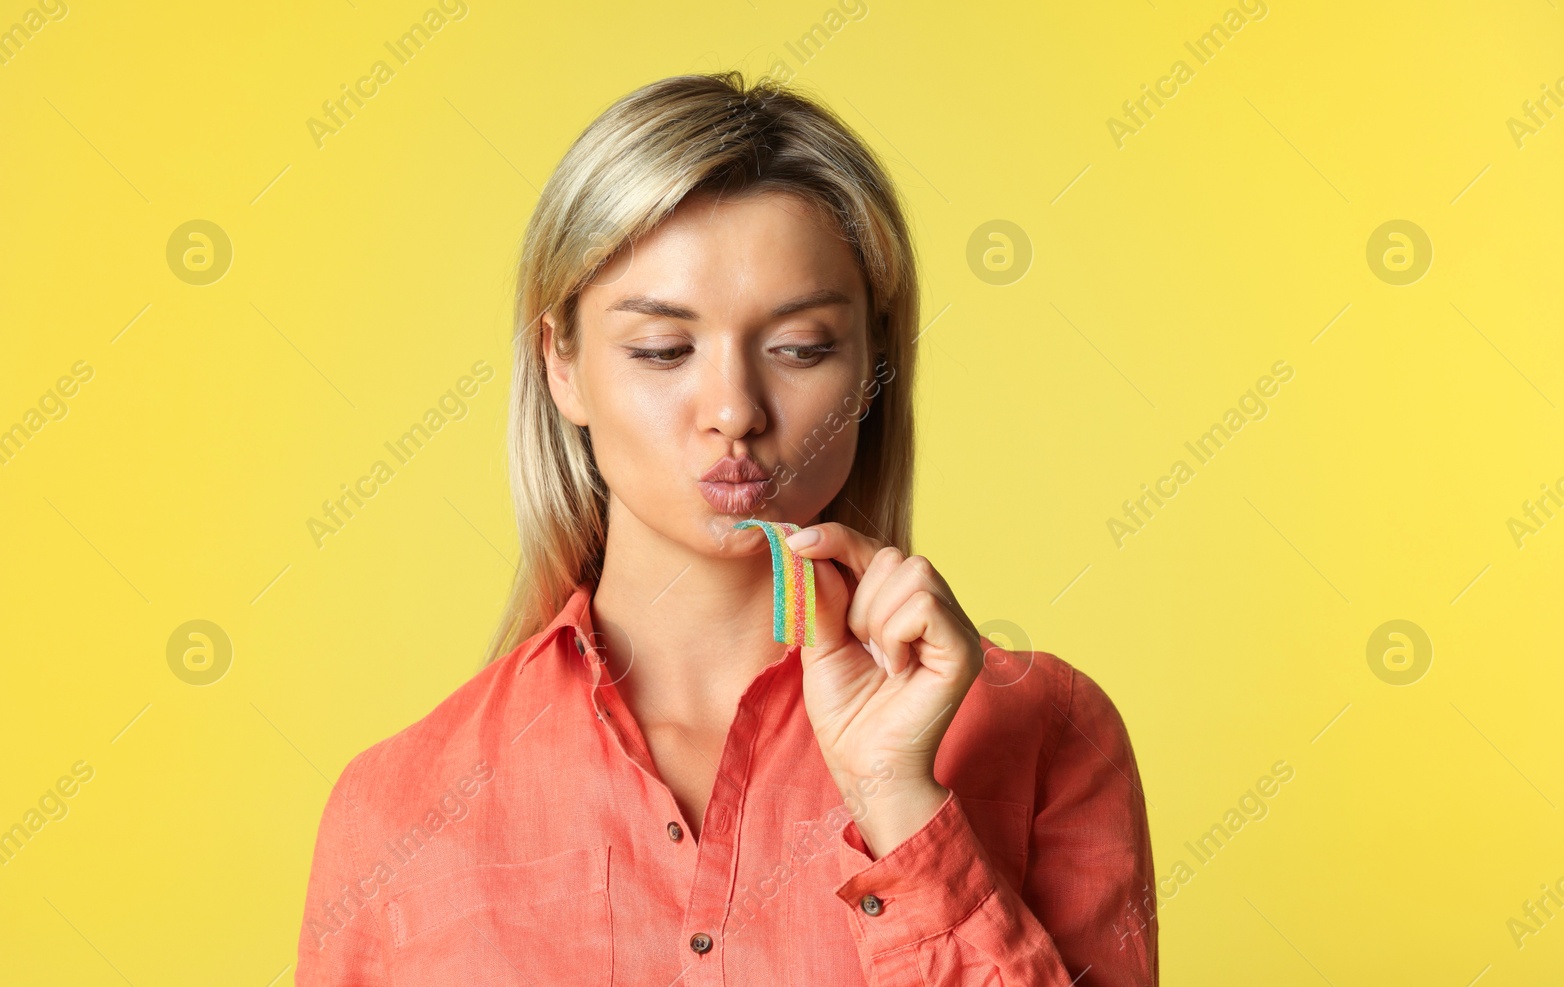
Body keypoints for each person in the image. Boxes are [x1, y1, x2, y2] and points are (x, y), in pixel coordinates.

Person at [295, 71, 1157, 985]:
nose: (734, 410)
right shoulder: (397, 806)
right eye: (663, 350)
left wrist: (899, 804)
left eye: (799, 348)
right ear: (564, 366)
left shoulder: (1049, 734)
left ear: (874, 368)